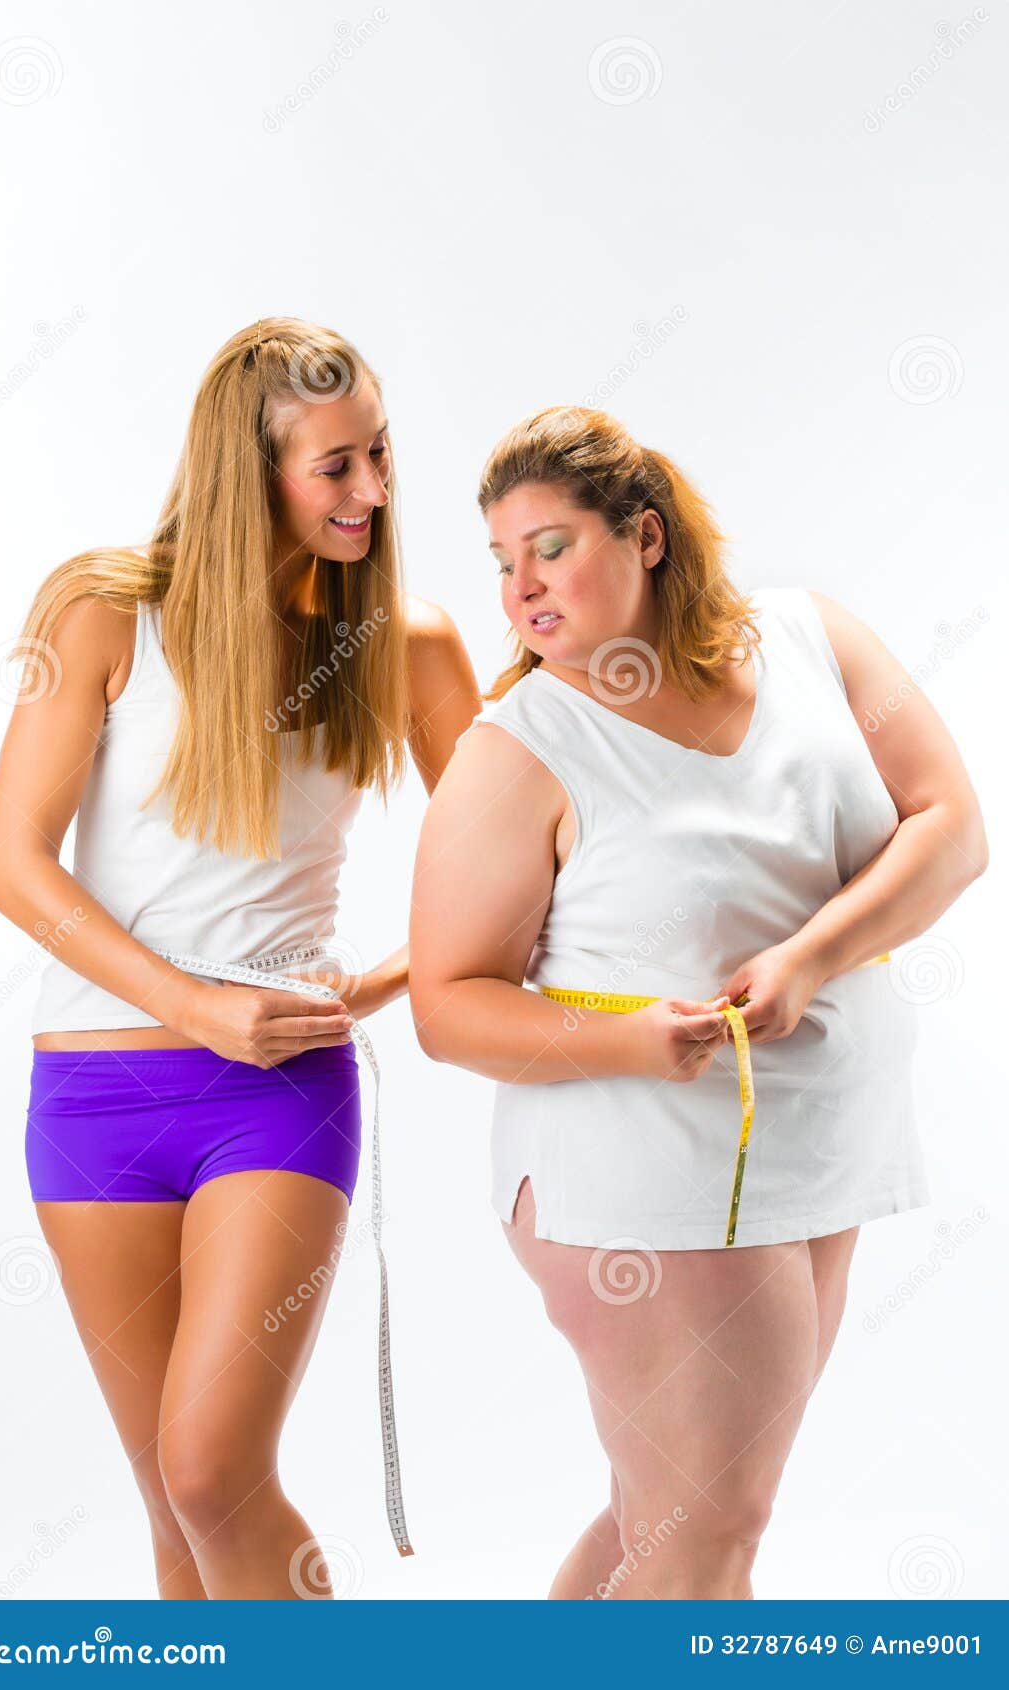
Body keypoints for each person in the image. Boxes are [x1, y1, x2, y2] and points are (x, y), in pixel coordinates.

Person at [408, 404, 988, 1600]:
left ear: (648, 536)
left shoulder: (810, 639)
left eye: (549, 547)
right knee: (710, 1530)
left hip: (820, 1135)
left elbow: (950, 826)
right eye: (501, 563)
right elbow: (446, 1006)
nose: (519, 587)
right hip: (647, 1166)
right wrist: (632, 1040)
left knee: (666, 1517)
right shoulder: (517, 744)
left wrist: (808, 959)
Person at [0, 317, 481, 1599]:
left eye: (380, 456)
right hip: (91, 1095)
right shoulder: (100, 611)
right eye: (335, 465)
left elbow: (504, 873)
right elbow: (12, 864)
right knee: (168, 1496)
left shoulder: (405, 643)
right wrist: (190, 1004)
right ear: (243, 470)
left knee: (214, 1472)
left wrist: (352, 990)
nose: (371, 490)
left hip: (273, 1094)